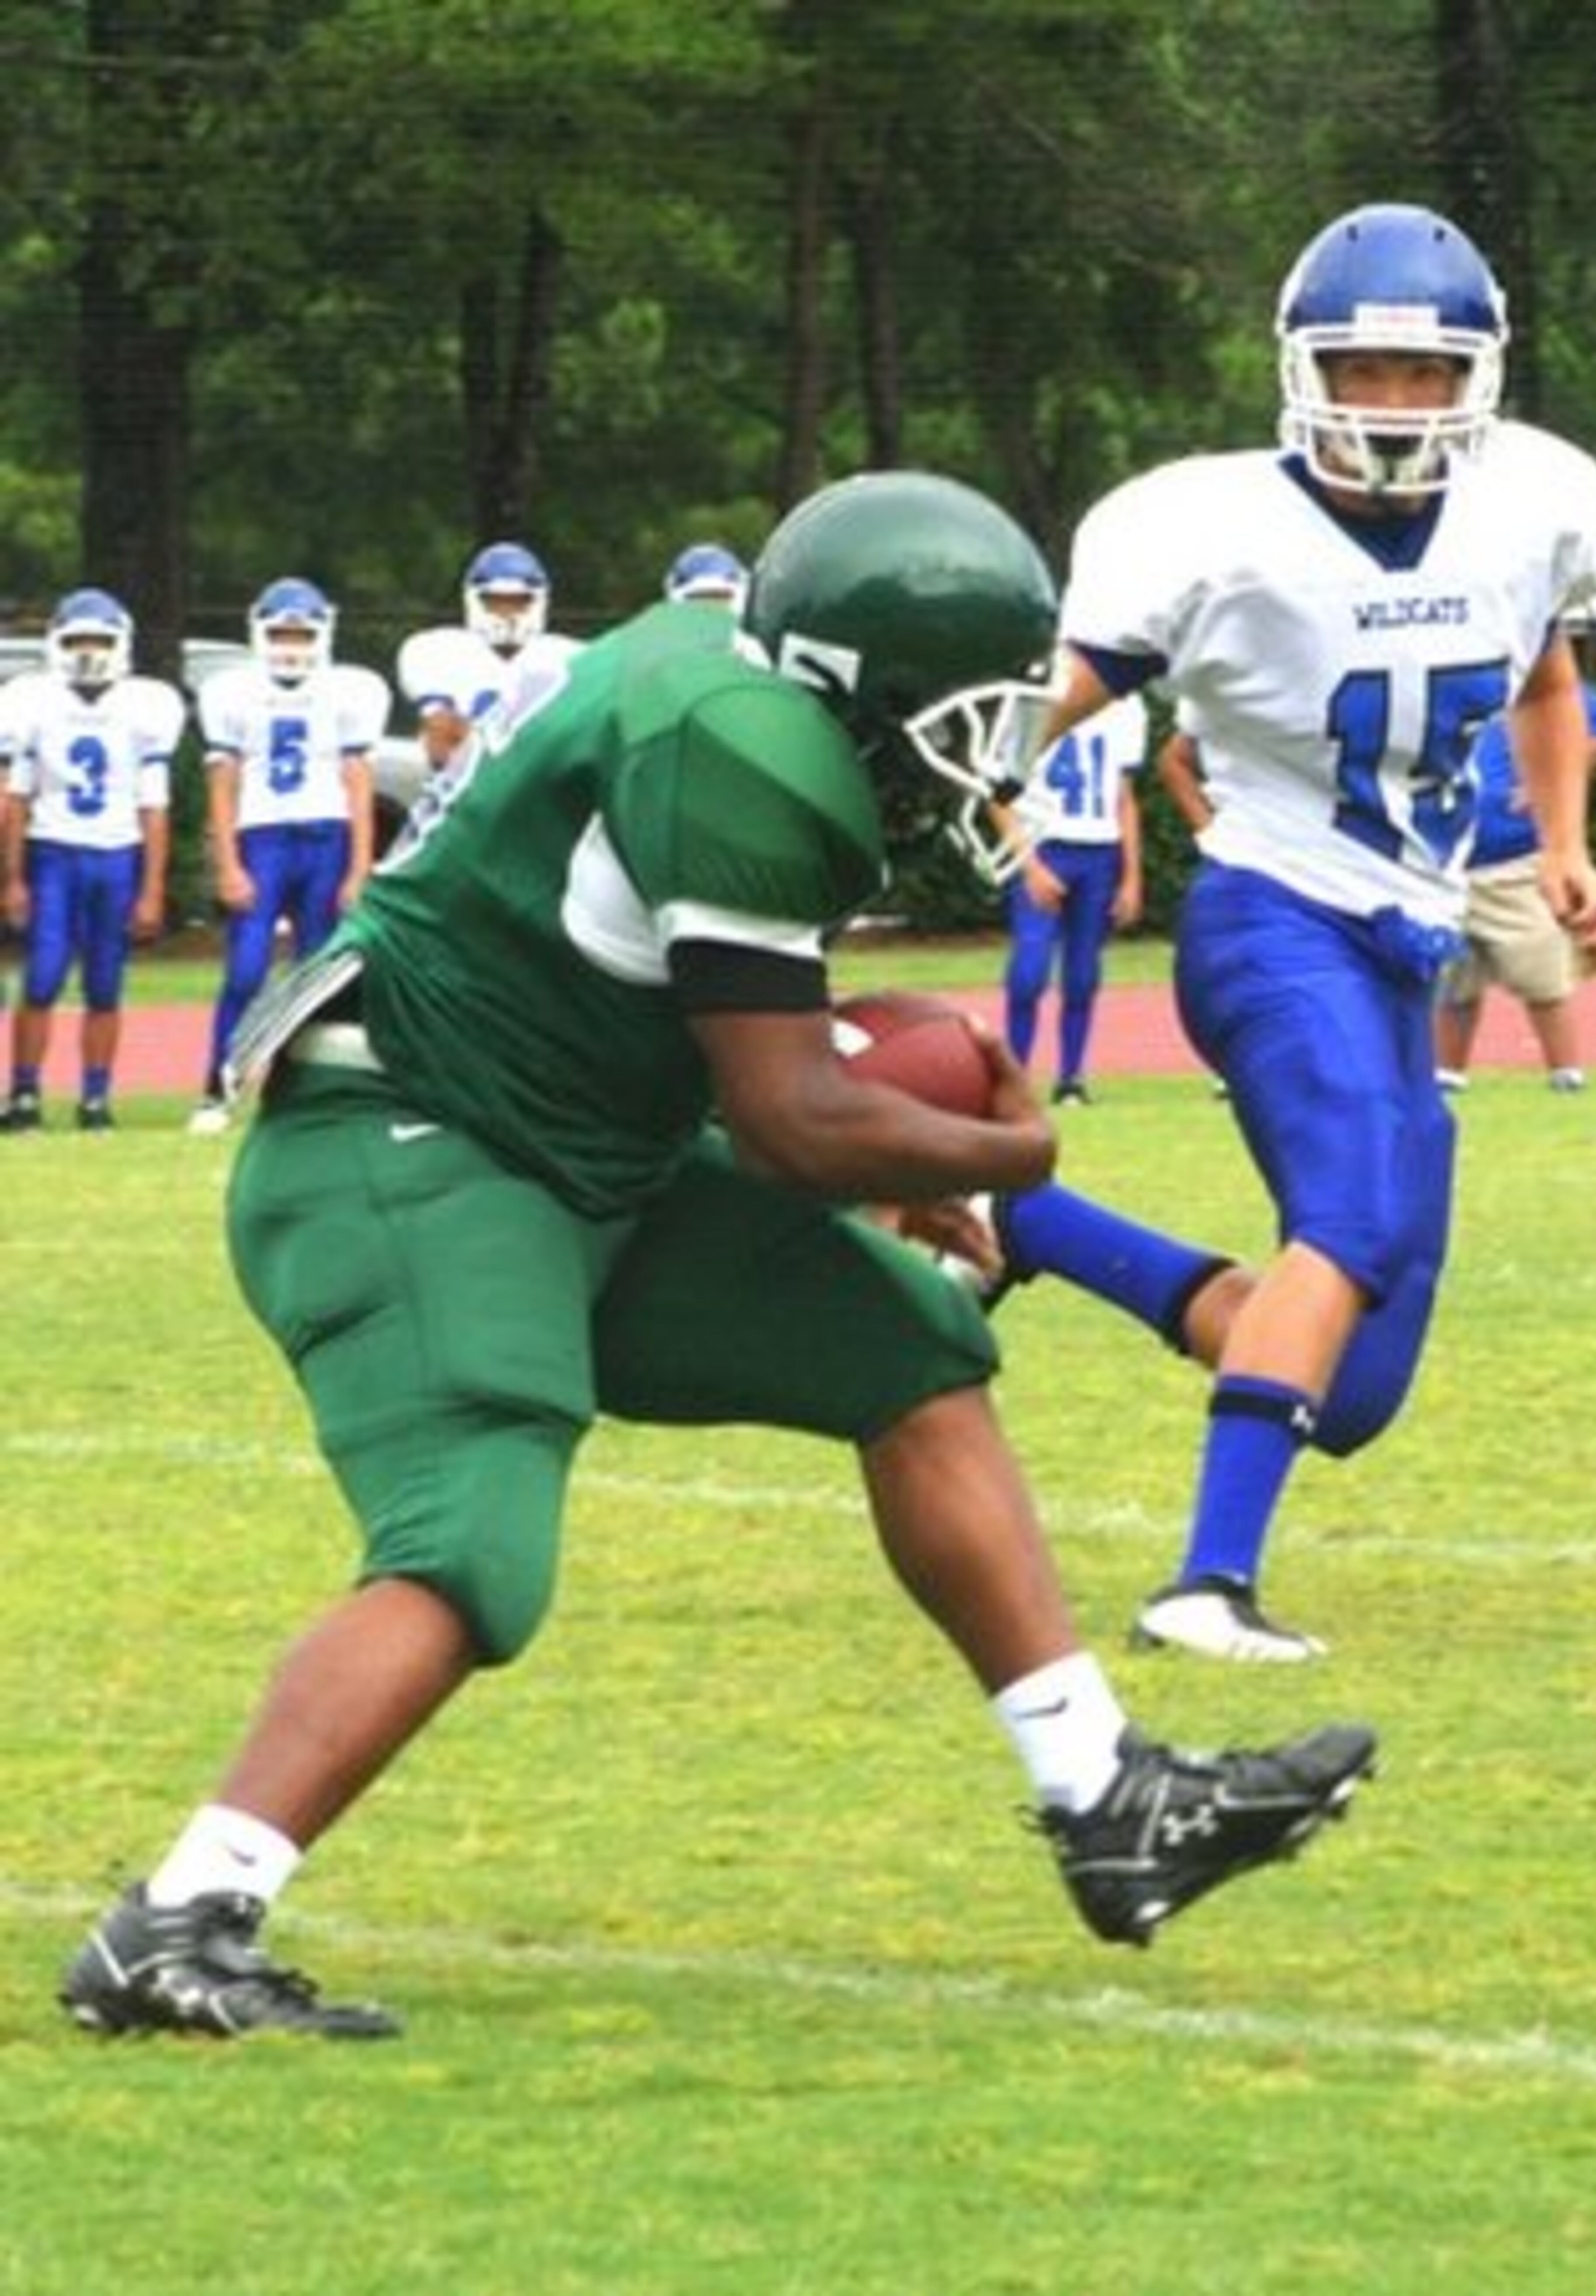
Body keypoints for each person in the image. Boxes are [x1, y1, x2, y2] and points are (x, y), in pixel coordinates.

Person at [60, 471, 1375, 2041]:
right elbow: (795, 1123)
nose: (990, 752)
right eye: (967, 713)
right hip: (411, 1143)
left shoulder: (725, 681)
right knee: (472, 1538)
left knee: (910, 1347)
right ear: (854, 688)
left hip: (583, 1138)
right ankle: (179, 1915)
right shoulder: (752, 754)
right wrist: (1013, 1154)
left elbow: (711, 1057)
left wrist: (868, 1158)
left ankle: (1107, 1795)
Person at [1022, 201, 1596, 1663]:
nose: (1398, 405)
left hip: (1406, 938)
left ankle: (1018, 1219)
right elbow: (1050, 693)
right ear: (1304, 369)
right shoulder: (1203, 525)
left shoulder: (1535, 501)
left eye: (1427, 375)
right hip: (1272, 912)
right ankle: (1206, 1583)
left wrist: (1563, 845)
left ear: (1481, 376)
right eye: (1365, 370)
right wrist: (1000, 787)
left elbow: (1545, 679)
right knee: (1346, 1226)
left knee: (1348, 1391)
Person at [187, 578, 387, 1135]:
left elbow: (358, 782)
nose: (291, 645)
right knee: (247, 968)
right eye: (281, 633)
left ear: (323, 633)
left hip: (328, 837)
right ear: (259, 631)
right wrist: (227, 862)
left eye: (302, 633)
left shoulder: (349, 689)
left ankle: (315, 1092)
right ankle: (218, 1086)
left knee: (323, 974)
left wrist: (359, 866)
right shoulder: (233, 692)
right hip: (263, 840)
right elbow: (223, 784)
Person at [0, 588, 184, 1131]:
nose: (88, 650)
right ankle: (26, 1094)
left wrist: (152, 887)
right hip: (54, 852)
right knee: (42, 978)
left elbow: (155, 807)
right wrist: (12, 879)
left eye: (99, 640)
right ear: (57, 644)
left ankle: (96, 1098)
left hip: (117, 855)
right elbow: (18, 799)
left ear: (121, 644)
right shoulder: (33, 701)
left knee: (106, 984)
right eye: (77, 639)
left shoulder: (145, 706)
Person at [1434, 684, 1596, 1092]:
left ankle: (1566, 1073)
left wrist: (1554, 779)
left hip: (1514, 864)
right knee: (1455, 979)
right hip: (1448, 863)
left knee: (1541, 972)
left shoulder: (1526, 672)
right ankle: (1447, 1074)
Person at [998, 692, 1146, 1105]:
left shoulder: (1127, 706)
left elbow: (1124, 799)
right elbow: (998, 793)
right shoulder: (1033, 700)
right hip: (1044, 847)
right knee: (1029, 972)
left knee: (1083, 974)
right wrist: (1029, 865)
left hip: (1099, 852)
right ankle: (1015, 1078)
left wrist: (1132, 876)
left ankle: (1072, 1078)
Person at [396, 541, 584, 778]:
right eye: (496, 602)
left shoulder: (570, 657)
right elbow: (440, 746)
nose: (507, 614)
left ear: (540, 602)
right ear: (473, 601)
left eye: (519, 602)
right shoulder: (436, 650)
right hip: (465, 794)